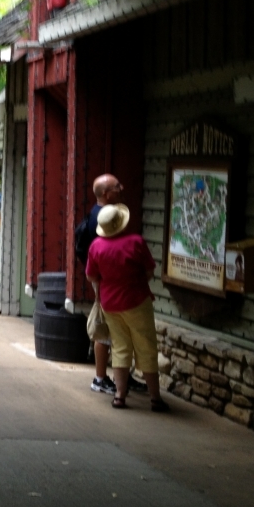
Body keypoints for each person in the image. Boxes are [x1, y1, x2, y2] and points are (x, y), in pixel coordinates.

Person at [86, 204, 169, 411]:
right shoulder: (136, 242)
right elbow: (149, 271)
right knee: (146, 347)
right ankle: (155, 398)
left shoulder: (96, 246)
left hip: (110, 303)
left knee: (120, 347)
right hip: (137, 300)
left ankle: (120, 395)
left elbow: (91, 275)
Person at [82, 173, 131, 395]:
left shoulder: (99, 213)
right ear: (105, 193)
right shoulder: (102, 219)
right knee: (104, 327)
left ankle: (121, 376)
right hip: (105, 280)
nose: (121, 188)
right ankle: (100, 378)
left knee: (116, 327)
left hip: (106, 280)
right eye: (116, 186)